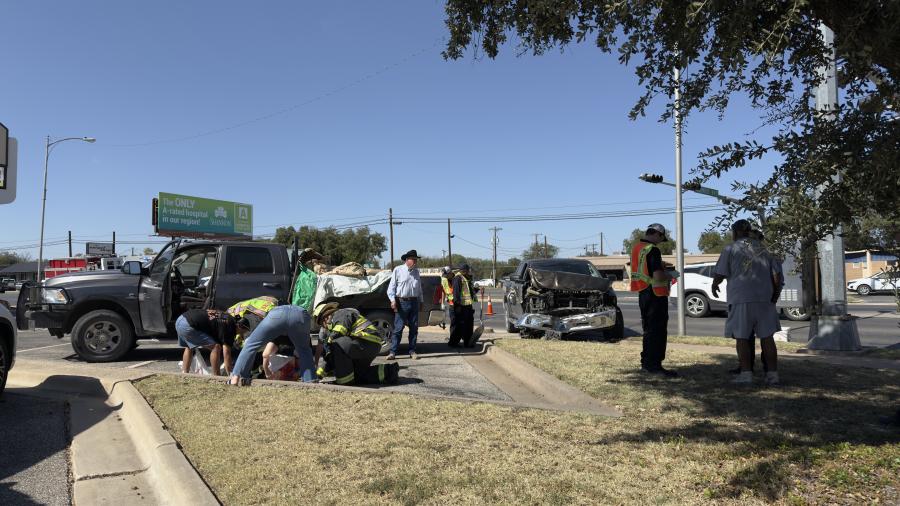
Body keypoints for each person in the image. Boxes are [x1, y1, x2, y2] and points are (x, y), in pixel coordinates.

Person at [712, 219, 782, 385]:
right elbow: (777, 275)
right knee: (767, 337)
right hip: (765, 298)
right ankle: (772, 375)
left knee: (742, 337)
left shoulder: (730, 248)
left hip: (741, 298)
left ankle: (746, 374)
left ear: (735, 232)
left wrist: (715, 284)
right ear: (749, 231)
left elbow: (721, 273)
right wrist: (775, 294)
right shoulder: (764, 249)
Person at [630, 223, 678, 377]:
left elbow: (644, 268)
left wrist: (659, 265)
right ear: (657, 234)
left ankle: (647, 363)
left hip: (643, 293)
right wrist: (670, 275)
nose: (660, 242)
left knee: (648, 330)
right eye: (661, 238)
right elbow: (657, 276)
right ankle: (655, 366)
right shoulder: (653, 250)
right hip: (655, 295)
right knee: (657, 331)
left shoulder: (637, 247)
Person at [312, 302, 399, 385]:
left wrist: (328, 342)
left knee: (335, 344)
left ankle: (344, 381)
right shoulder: (335, 322)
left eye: (322, 324)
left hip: (366, 342)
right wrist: (318, 375)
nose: (324, 327)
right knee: (358, 375)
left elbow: (339, 332)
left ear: (325, 317)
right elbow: (330, 358)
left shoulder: (341, 314)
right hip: (365, 345)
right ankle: (389, 372)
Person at [228, 305, 316, 386]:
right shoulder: (289, 338)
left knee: (250, 345)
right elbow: (313, 349)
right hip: (300, 314)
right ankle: (310, 382)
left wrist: (267, 372)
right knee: (304, 351)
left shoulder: (277, 336)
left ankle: (235, 378)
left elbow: (265, 354)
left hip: (277, 313)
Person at [225, 295, 279, 374]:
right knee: (251, 346)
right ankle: (244, 371)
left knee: (249, 346)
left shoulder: (238, 311)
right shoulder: (264, 309)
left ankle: (243, 370)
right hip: (252, 317)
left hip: (247, 315)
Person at [386, 249, 423, 360]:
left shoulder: (416, 272)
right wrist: (393, 300)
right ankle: (393, 352)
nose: (415, 262)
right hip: (401, 302)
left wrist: (421, 301)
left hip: (414, 302)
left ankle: (412, 351)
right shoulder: (398, 270)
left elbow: (419, 288)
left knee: (414, 328)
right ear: (407, 260)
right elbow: (391, 288)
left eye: (416, 260)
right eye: (413, 259)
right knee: (398, 328)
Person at [177, 309, 236, 376]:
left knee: (188, 347)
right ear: (240, 326)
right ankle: (217, 377)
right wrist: (230, 374)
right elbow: (227, 354)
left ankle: (184, 374)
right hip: (189, 325)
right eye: (243, 332)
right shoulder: (230, 325)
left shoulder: (225, 316)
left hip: (181, 319)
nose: (241, 335)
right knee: (216, 347)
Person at [449, 264, 477, 348]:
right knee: (460, 325)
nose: (469, 272)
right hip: (461, 306)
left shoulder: (465, 278)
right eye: (468, 270)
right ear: (464, 270)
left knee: (468, 325)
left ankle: (468, 342)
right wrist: (458, 307)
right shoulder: (458, 278)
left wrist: (477, 290)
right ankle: (453, 343)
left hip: (468, 305)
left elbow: (468, 291)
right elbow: (456, 293)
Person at [440, 266, 455, 331]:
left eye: (446, 275)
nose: (445, 276)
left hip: (459, 303)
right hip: (451, 303)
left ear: (450, 273)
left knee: (460, 322)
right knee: (453, 321)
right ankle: (453, 338)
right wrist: (442, 303)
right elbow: (443, 291)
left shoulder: (456, 279)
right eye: (444, 275)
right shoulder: (444, 279)